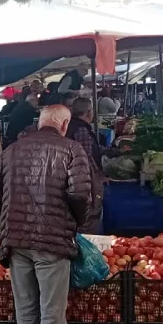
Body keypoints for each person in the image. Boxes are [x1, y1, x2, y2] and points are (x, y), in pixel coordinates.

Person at [0, 103, 91, 324]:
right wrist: (73, 222)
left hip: (16, 241)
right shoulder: (71, 149)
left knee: (27, 311)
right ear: (64, 124)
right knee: (52, 312)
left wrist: (7, 219)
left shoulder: (11, 151)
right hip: (51, 241)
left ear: (40, 121)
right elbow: (80, 193)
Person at [67, 97, 105, 232]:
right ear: (89, 112)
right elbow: (87, 158)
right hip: (84, 181)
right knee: (88, 215)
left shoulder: (71, 126)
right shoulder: (81, 130)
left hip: (73, 178)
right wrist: (99, 177)